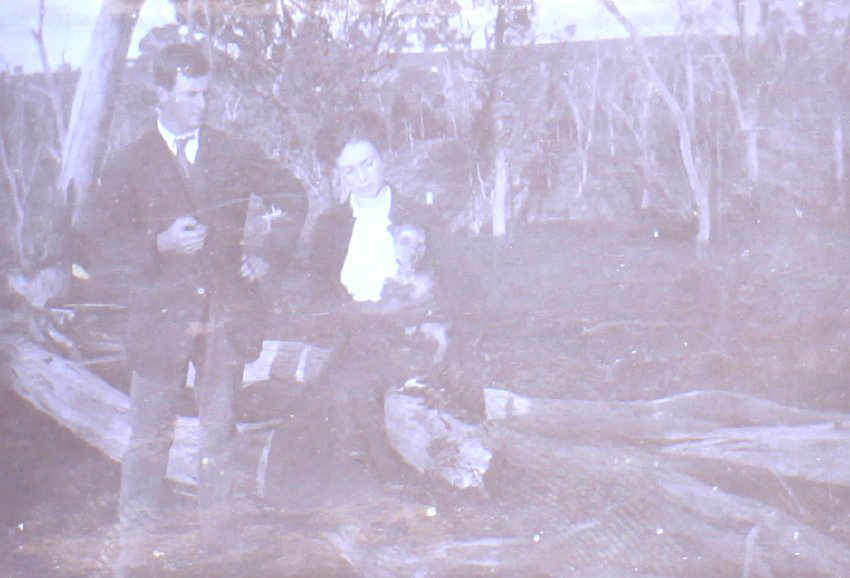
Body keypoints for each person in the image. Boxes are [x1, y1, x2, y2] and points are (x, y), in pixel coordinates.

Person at [73, 43, 306, 575]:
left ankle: (219, 554)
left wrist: (267, 255)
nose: (201, 104)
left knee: (218, 435)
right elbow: (97, 244)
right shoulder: (128, 162)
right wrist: (158, 245)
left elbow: (293, 196)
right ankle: (133, 554)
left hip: (223, 316)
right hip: (159, 323)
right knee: (149, 439)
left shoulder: (234, 150)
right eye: (189, 94)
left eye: (206, 94)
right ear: (161, 93)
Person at [265, 110, 483, 510]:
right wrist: (355, 314)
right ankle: (315, 510)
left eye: (368, 163)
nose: (363, 177)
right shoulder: (330, 227)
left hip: (416, 339)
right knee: (313, 412)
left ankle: (398, 488)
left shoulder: (422, 217)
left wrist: (424, 315)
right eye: (351, 170)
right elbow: (320, 301)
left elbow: (462, 290)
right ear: (337, 174)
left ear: (383, 158)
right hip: (357, 338)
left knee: (365, 394)